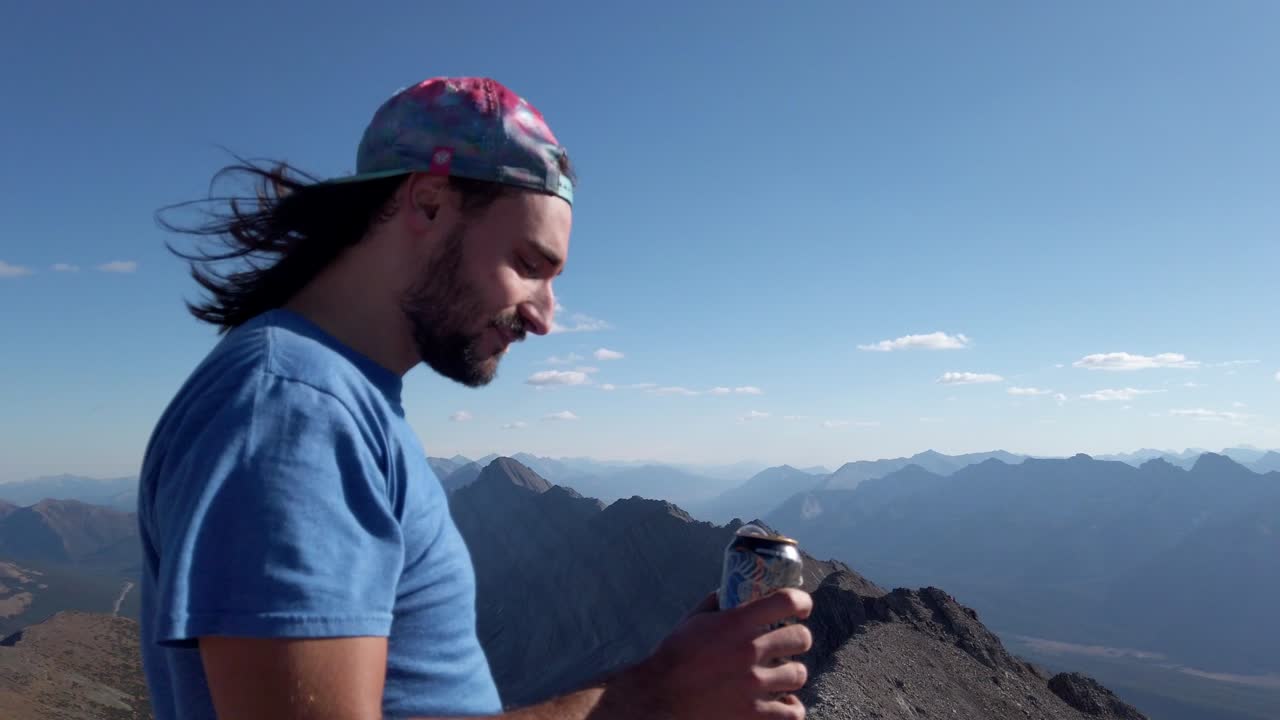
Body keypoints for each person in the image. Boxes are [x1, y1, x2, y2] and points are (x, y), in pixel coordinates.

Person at [138, 76, 813, 720]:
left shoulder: (338, 401)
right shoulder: (296, 411)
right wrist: (659, 697)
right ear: (428, 204)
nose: (545, 317)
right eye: (528, 264)